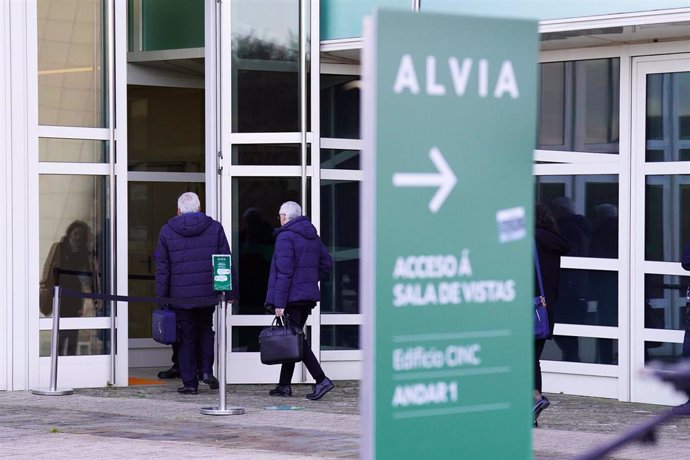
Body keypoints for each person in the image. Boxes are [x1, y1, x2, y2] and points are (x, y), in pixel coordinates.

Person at [155, 192, 237, 395]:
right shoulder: (215, 228)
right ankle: (207, 371)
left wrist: (162, 297)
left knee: (185, 337)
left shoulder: (167, 231)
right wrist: (229, 291)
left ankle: (190, 383)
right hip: (207, 294)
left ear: (178, 210)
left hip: (179, 296)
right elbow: (224, 261)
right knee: (205, 330)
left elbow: (163, 269)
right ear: (199, 209)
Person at [264, 201, 334, 400]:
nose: (279, 219)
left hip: (291, 298)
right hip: (305, 297)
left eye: (280, 216)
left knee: (297, 341)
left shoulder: (286, 237)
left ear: (285, 216)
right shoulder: (312, 236)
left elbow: (284, 273)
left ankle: (321, 380)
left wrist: (279, 303)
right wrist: (310, 280)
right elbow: (326, 263)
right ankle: (284, 385)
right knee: (292, 338)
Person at [40, 220, 101, 355]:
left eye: (81, 235)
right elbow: (48, 267)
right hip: (59, 295)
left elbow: (92, 275)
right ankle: (58, 357)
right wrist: (44, 286)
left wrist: (95, 295)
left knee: (73, 332)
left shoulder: (86, 253)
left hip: (75, 296)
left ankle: (70, 359)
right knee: (60, 331)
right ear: (70, 233)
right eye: (76, 233)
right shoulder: (59, 248)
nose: (77, 237)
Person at [534, 204, 570, 427]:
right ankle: (532, 410)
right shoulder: (552, 242)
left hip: (525, 309)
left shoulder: (528, 241)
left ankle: (535, 399)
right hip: (544, 311)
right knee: (532, 359)